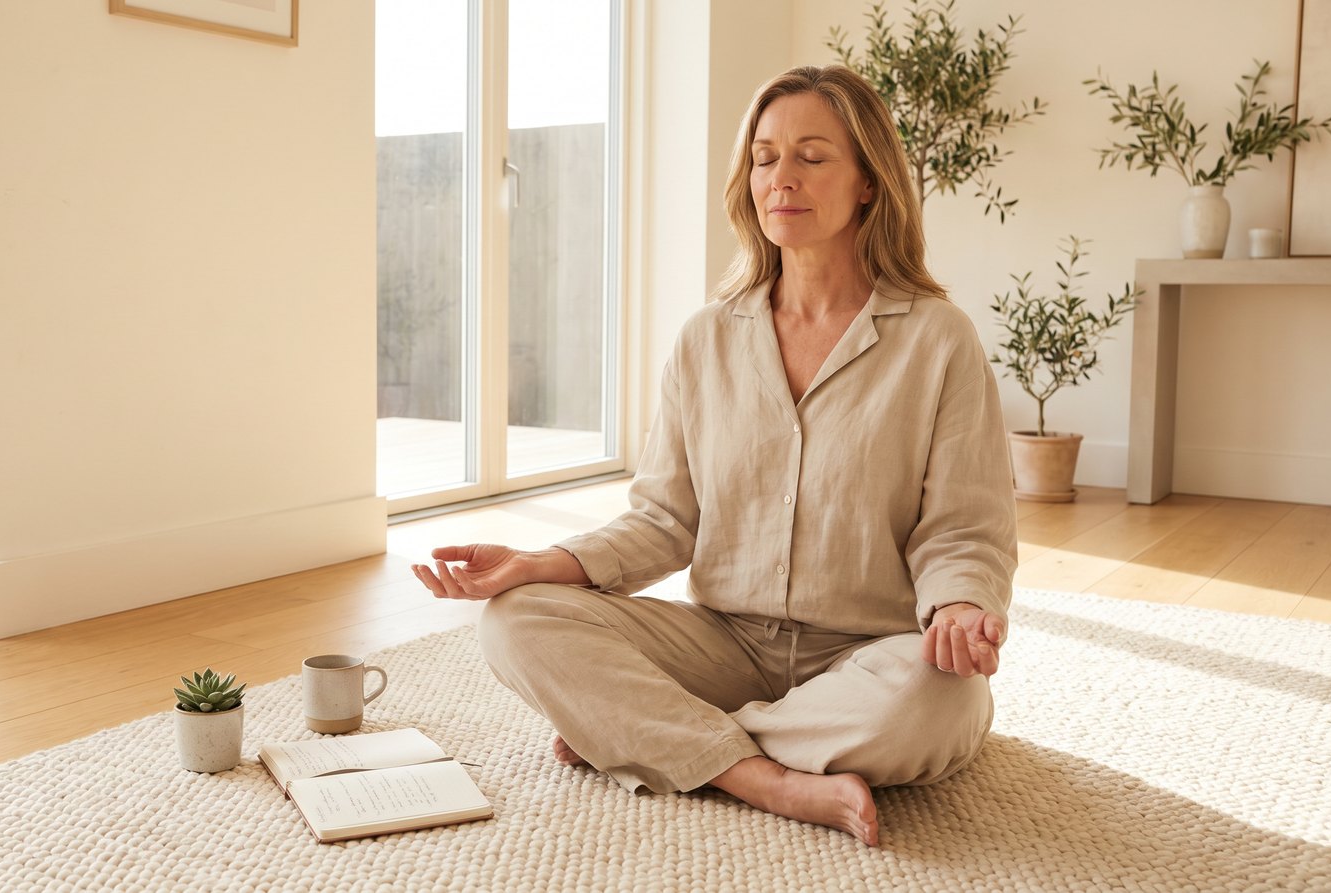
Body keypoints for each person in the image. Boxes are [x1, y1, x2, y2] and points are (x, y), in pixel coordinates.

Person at [411, 65, 1016, 847]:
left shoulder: (938, 339)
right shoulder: (706, 338)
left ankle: (660, 739)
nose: (781, 178)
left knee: (942, 702)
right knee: (514, 622)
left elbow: (963, 524)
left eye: (811, 156)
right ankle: (762, 778)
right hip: (723, 642)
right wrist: (539, 562)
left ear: (869, 181)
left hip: (867, 651)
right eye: (765, 157)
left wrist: (960, 604)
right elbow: (664, 521)